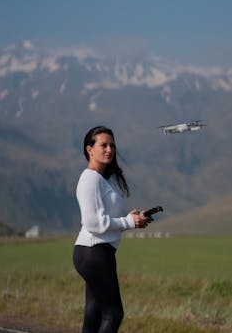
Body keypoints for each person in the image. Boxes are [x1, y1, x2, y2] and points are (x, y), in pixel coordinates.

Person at [73, 126, 151, 333]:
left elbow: (104, 219)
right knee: (113, 314)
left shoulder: (99, 179)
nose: (109, 150)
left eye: (112, 146)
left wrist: (130, 219)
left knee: (94, 312)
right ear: (90, 150)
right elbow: (94, 223)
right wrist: (128, 222)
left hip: (95, 251)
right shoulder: (90, 178)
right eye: (103, 145)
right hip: (94, 252)